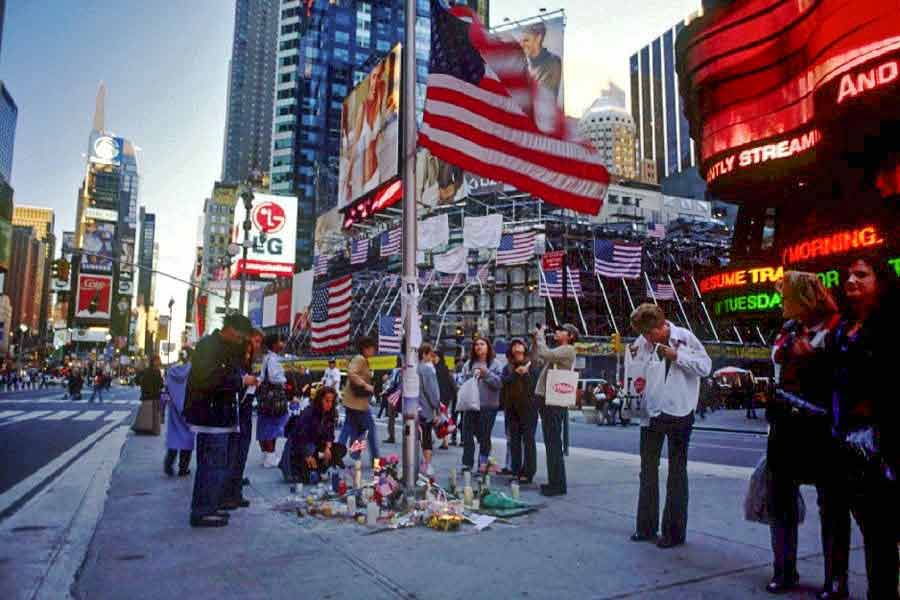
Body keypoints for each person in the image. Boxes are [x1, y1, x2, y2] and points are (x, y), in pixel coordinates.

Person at [765, 271, 846, 595]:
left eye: (786, 295)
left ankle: (836, 579)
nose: (781, 301)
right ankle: (784, 570)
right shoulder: (788, 328)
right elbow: (778, 361)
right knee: (779, 499)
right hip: (786, 422)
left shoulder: (837, 328)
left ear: (803, 297)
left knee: (832, 504)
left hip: (823, 425)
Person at [824, 255, 898, 599]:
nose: (851, 280)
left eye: (861, 274)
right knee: (866, 527)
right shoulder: (841, 328)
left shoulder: (890, 326)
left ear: (879, 281)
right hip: (844, 441)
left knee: (882, 533)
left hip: (881, 443)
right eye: (848, 275)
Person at [627, 304, 711, 548]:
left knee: (677, 472)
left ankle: (674, 533)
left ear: (662, 326)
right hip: (651, 413)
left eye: (650, 334)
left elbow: (705, 367)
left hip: (680, 411)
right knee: (647, 470)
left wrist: (677, 357)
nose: (647, 339)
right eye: (643, 334)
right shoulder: (641, 343)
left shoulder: (685, 337)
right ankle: (646, 527)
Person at [183, 313, 254, 528]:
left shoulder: (224, 347)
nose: (241, 342)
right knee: (211, 464)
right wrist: (240, 380)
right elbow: (209, 378)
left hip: (220, 415)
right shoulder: (209, 346)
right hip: (210, 415)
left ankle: (211, 505)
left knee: (217, 464)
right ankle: (203, 510)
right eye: (241, 337)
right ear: (232, 330)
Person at [531, 323, 578, 496]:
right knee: (551, 443)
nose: (556, 332)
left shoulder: (568, 350)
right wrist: (536, 341)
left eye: (561, 330)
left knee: (554, 444)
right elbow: (538, 358)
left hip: (553, 401)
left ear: (570, 335)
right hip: (548, 399)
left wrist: (541, 335)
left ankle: (557, 485)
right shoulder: (560, 351)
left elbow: (546, 354)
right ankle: (554, 482)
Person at [223, 331, 262, 508]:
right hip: (234, 416)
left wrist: (254, 383)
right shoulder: (233, 367)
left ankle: (235, 492)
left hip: (245, 416)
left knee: (241, 457)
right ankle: (227, 494)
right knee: (232, 457)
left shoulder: (247, 368)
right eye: (246, 352)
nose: (249, 355)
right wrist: (245, 381)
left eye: (250, 352)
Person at [280, 386, 343, 484]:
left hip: (315, 445)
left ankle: (318, 468)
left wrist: (327, 448)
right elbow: (299, 437)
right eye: (326, 401)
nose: (329, 404)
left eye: (332, 401)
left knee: (339, 449)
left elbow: (330, 435)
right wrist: (307, 455)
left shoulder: (330, 413)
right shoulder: (309, 413)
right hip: (299, 447)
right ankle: (305, 468)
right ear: (319, 400)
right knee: (306, 478)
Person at [459, 336, 503, 473]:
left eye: (482, 344)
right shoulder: (468, 364)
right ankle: (467, 463)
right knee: (466, 434)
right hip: (470, 405)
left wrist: (486, 373)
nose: (479, 347)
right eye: (476, 344)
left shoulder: (495, 364)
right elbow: (462, 382)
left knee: (484, 436)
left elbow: (499, 384)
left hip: (488, 406)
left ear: (488, 347)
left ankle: (483, 463)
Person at [501, 339, 540, 484]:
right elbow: (503, 382)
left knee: (529, 440)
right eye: (514, 347)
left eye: (520, 346)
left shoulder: (533, 366)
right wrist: (517, 374)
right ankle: (515, 471)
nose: (517, 349)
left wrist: (526, 373)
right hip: (512, 408)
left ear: (524, 349)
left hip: (529, 408)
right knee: (515, 441)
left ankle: (528, 472)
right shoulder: (508, 368)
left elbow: (535, 386)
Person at [338, 337, 380, 463]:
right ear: (366, 348)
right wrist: (365, 385)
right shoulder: (360, 359)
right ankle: (375, 459)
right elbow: (351, 373)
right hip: (358, 404)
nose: (374, 350)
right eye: (373, 348)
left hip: (353, 402)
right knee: (369, 430)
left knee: (350, 429)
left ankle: (341, 454)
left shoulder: (362, 360)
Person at [257, 334, 288, 469]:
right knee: (272, 424)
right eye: (280, 341)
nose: (282, 344)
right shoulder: (273, 359)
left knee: (267, 424)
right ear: (274, 345)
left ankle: (268, 454)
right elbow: (274, 377)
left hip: (267, 395)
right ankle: (270, 456)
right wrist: (284, 379)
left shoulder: (268, 358)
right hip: (274, 396)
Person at [163, 349, 195, 477]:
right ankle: (183, 468)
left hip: (175, 409)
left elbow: (167, 386)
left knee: (175, 436)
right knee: (188, 438)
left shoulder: (172, 371)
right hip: (189, 407)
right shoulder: (194, 371)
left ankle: (168, 465)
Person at [518, 22, 562, 100]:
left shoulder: (553, 62)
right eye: (520, 41)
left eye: (526, 40)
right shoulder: (524, 66)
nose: (521, 45)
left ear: (538, 38)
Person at [417, 343, 442, 476]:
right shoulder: (427, 369)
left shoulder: (413, 368)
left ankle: (418, 464)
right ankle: (426, 466)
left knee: (418, 438)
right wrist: (437, 408)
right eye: (430, 354)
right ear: (424, 354)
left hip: (415, 408)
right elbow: (433, 392)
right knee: (426, 437)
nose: (432, 357)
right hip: (426, 409)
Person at [133, 357, 164, 435]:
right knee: (154, 414)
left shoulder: (146, 371)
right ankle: (153, 429)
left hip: (146, 396)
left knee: (145, 413)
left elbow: (137, 381)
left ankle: (144, 428)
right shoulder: (156, 371)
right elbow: (160, 384)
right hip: (154, 396)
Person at [434, 349, 457, 450]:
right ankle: (445, 441)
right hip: (444, 397)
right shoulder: (445, 369)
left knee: (438, 419)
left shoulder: (436, 369)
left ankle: (442, 440)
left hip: (440, 397)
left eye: (435, 356)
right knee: (443, 419)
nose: (433, 358)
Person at [382, 356, 402, 444]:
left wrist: (385, 391)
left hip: (394, 394)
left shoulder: (395, 370)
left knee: (391, 417)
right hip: (405, 395)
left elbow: (392, 383)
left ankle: (391, 436)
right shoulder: (408, 370)